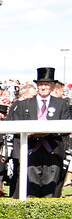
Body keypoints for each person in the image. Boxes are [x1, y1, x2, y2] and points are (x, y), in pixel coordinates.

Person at [7, 67, 71, 198]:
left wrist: (47, 132)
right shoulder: (25, 104)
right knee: (30, 191)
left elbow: (66, 126)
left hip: (53, 152)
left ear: (52, 86)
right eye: (41, 84)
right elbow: (15, 125)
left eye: (47, 84)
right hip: (31, 151)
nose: (44, 87)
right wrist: (30, 133)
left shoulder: (61, 104)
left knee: (50, 192)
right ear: (37, 85)